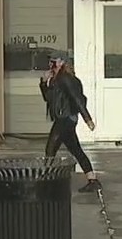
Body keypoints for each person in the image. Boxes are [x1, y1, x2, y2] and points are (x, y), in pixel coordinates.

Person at [39, 54, 100, 192]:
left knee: (51, 148)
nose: (51, 65)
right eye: (50, 62)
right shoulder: (55, 79)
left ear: (62, 63)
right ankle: (92, 179)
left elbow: (77, 98)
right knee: (76, 150)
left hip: (66, 118)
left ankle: (46, 181)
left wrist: (87, 119)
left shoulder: (65, 78)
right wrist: (44, 82)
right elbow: (47, 98)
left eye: (54, 62)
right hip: (64, 118)